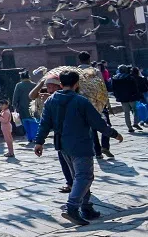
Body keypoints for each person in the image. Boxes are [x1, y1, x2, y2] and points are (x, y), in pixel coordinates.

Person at [35, 70, 123, 226]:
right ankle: (72, 207)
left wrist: (39, 142)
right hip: (81, 144)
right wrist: (114, 134)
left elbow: (44, 123)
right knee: (84, 176)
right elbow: (97, 122)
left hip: (63, 145)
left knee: (79, 177)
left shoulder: (51, 101)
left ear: (61, 84)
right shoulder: (81, 101)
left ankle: (86, 207)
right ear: (76, 84)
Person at [78, 51, 113, 159]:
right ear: (89, 60)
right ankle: (105, 146)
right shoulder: (95, 71)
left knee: (91, 129)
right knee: (106, 124)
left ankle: (97, 152)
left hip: (83, 103)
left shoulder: (75, 72)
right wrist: (108, 103)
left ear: (79, 60)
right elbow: (103, 88)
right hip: (98, 103)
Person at [111, 65, 142, 134]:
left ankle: (129, 127)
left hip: (122, 98)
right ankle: (135, 123)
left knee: (126, 112)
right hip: (131, 97)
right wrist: (137, 96)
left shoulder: (115, 78)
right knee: (135, 110)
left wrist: (117, 96)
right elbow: (135, 88)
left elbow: (113, 89)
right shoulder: (130, 77)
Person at [13, 70, 37, 143]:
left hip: (22, 108)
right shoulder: (34, 85)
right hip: (33, 107)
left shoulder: (19, 85)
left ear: (21, 78)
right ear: (29, 77)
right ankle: (35, 137)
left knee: (26, 123)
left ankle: (29, 138)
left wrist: (14, 106)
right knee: (34, 122)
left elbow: (15, 97)